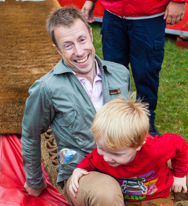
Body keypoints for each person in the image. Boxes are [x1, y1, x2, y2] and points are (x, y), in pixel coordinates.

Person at [21, 6, 131, 204]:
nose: (79, 52)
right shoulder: (47, 88)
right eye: (68, 45)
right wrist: (35, 182)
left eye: (82, 40)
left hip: (127, 161)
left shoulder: (120, 73)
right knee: (106, 194)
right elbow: (30, 134)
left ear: (90, 34)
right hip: (83, 172)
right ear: (58, 49)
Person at [81, 0, 188, 137]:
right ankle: (115, 119)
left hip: (148, 16)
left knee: (146, 73)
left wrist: (178, 1)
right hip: (113, 14)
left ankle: (145, 122)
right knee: (112, 72)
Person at [68, 98, 188, 205]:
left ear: (139, 145)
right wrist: (79, 169)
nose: (107, 158)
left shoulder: (156, 150)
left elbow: (179, 143)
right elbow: (91, 159)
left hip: (158, 197)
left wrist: (180, 174)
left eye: (117, 154)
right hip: (124, 201)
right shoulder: (102, 155)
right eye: (101, 149)